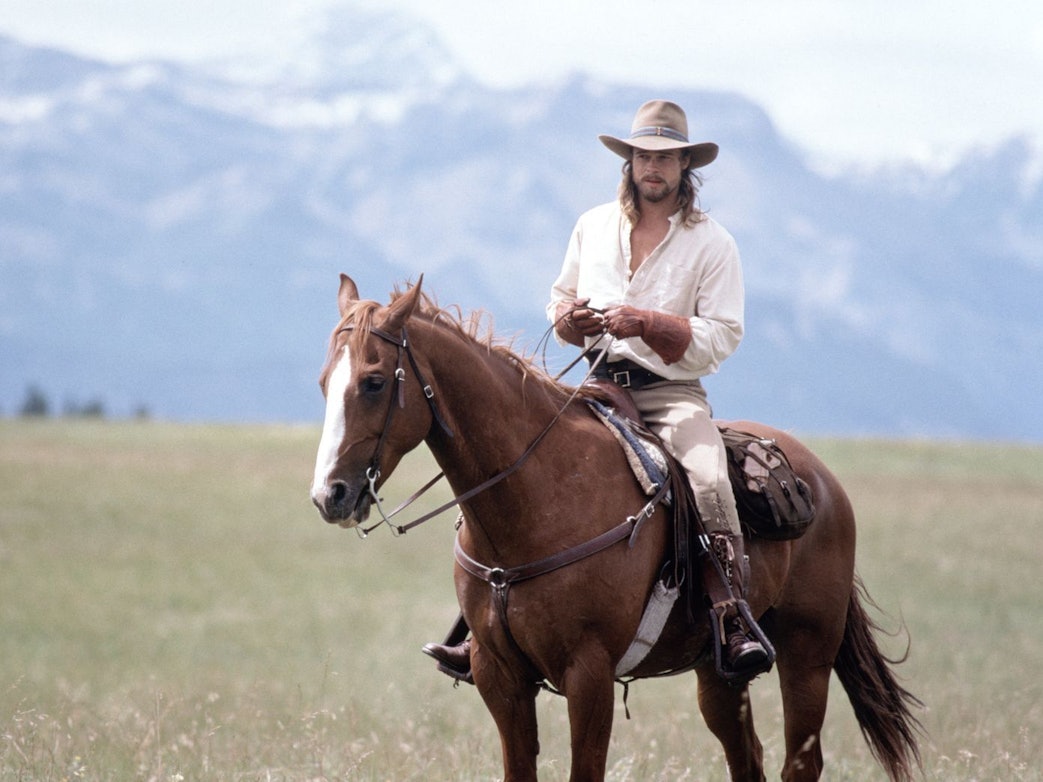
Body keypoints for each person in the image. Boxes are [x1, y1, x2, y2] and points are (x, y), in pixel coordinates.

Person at [424, 99, 769, 684]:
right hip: (595, 383)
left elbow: (723, 336)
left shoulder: (713, 244)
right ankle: (479, 621)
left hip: (671, 393)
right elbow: (559, 299)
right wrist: (571, 322)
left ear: (686, 164)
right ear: (628, 161)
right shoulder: (592, 225)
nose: (650, 166)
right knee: (517, 463)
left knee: (708, 476)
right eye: (641, 155)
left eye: (663, 157)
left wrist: (651, 324)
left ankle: (729, 614)